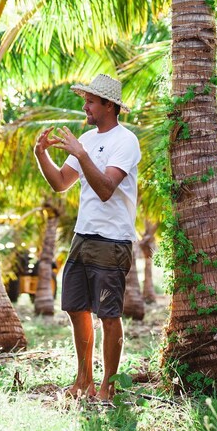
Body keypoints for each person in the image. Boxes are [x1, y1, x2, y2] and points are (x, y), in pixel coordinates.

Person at [34, 74, 141, 401]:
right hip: (83, 237)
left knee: (109, 315)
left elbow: (107, 189)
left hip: (113, 241)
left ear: (109, 105)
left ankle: (108, 385)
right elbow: (61, 182)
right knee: (76, 308)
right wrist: (41, 155)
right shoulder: (86, 139)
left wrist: (82, 154)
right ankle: (84, 380)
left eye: (91, 101)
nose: (85, 107)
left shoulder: (126, 141)